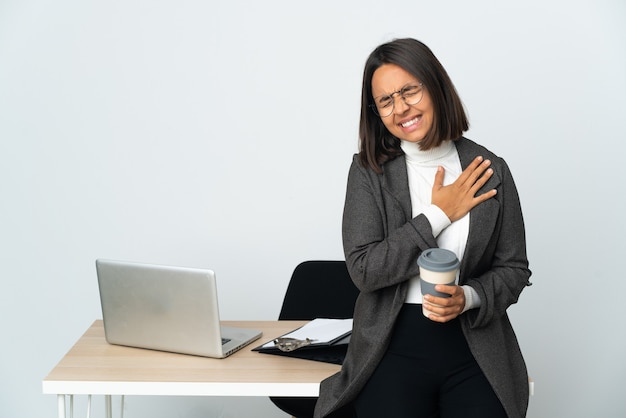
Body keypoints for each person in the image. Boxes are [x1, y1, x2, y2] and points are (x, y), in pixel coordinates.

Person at [314, 38, 532, 418]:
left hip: (474, 348)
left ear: (435, 86)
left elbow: (514, 269)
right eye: (385, 101)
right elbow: (365, 270)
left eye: (409, 91)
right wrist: (439, 213)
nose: (400, 108)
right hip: (391, 347)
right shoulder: (369, 172)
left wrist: (470, 296)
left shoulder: (490, 169)